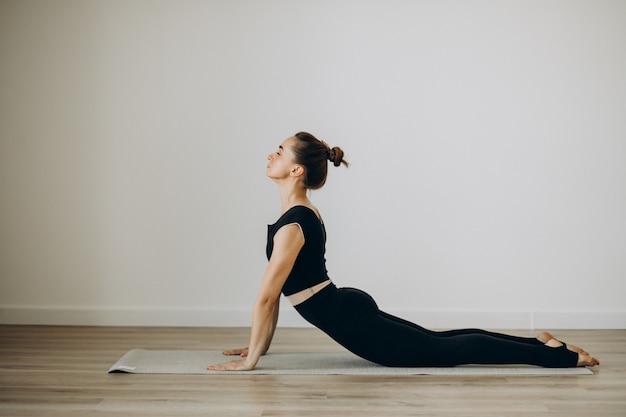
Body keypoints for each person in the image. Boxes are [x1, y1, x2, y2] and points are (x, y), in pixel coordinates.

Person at [207, 132, 600, 371]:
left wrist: (250, 361)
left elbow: (266, 297)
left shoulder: (294, 224)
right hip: (345, 308)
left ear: (296, 170)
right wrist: (259, 346)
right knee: (440, 342)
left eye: (279, 151)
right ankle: (539, 344)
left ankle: (558, 358)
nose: (270, 155)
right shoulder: (295, 217)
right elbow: (274, 298)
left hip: (349, 318)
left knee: (445, 351)